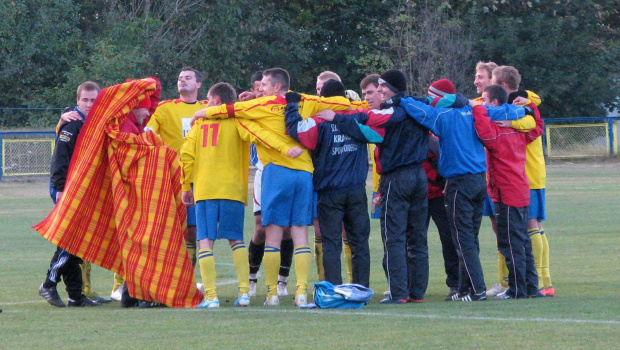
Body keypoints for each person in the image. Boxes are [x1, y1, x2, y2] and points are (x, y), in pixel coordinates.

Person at [192, 68, 351, 307]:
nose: (260, 88)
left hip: (277, 172)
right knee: (300, 234)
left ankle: (272, 294)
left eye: (264, 84)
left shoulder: (263, 104)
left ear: (277, 87)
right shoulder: (305, 100)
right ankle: (300, 293)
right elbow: (339, 104)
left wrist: (202, 112)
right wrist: (349, 107)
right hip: (304, 172)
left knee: (273, 236)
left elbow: (230, 109)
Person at [316, 69, 429, 304]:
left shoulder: (394, 111)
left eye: (379, 88)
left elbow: (371, 129)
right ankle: (415, 292)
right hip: (419, 176)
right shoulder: (416, 105)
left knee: (394, 237)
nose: (375, 93)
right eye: (371, 90)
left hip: (398, 176)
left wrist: (337, 118)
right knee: (417, 237)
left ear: (390, 88)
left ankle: (399, 294)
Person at [393, 78, 488, 301]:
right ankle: (464, 288)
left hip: (459, 183)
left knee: (463, 239)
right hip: (479, 181)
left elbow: (422, 112)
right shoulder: (472, 110)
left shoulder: (444, 116)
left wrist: (402, 100)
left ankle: (477, 290)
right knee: (470, 239)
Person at [284, 79, 372, 287]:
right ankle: (361, 287)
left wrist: (292, 106)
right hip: (357, 189)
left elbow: (295, 129)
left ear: (322, 98)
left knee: (331, 243)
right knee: (359, 242)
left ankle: (333, 287)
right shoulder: (359, 118)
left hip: (330, 191)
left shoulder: (319, 120)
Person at [472, 84, 542, 299]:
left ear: (494, 103)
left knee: (510, 242)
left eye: (484, 100)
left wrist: (473, 108)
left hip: (506, 192)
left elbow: (482, 128)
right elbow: (537, 127)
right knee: (522, 241)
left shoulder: (498, 131)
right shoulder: (520, 129)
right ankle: (530, 286)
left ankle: (517, 289)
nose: (480, 104)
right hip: (521, 189)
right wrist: (529, 107)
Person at [38, 81, 102, 308]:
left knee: (75, 243)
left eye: (93, 100)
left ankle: (75, 296)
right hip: (67, 190)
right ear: (77, 101)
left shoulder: (93, 123)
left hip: (82, 191)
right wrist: (60, 190)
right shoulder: (72, 125)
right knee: (70, 241)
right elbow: (59, 160)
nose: (88, 104)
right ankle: (49, 282)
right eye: (84, 100)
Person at [492, 65, 553, 297]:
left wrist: (514, 121)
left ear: (502, 86)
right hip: (510, 176)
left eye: (483, 78)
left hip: (526, 176)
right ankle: (507, 281)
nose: (478, 83)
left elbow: (535, 126)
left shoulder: (524, 106)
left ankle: (542, 281)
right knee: (510, 230)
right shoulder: (519, 102)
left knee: (530, 228)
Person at [143, 67, 206, 280]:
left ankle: (187, 279)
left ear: (198, 84)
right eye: (180, 78)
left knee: (193, 230)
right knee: (164, 229)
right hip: (171, 179)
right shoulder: (165, 108)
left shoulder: (207, 108)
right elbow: (147, 134)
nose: (182, 81)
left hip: (198, 178)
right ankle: (122, 285)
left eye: (188, 78)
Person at [242, 71, 294, 298]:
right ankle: (251, 279)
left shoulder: (287, 105)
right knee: (261, 227)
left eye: (264, 85)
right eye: (258, 87)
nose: (261, 90)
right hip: (264, 171)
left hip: (289, 170)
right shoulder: (253, 109)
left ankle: (282, 281)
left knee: (288, 229)